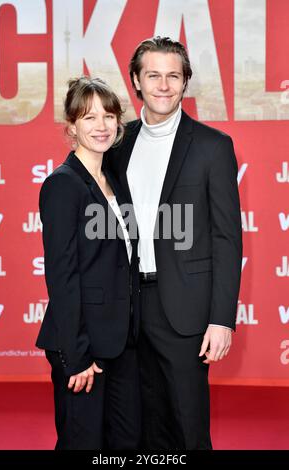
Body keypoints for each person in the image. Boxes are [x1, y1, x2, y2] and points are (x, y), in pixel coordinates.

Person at [106, 36, 242, 450]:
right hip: (126, 307)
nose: (163, 86)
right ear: (136, 81)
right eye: (153, 75)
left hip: (185, 309)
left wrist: (221, 319)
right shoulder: (115, 143)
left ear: (185, 83)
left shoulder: (212, 146)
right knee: (135, 425)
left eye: (173, 76)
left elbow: (227, 237)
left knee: (186, 423)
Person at [36, 76, 141, 450]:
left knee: (126, 442)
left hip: (123, 341)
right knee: (83, 442)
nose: (101, 125)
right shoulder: (63, 185)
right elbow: (62, 277)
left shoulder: (115, 180)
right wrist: (76, 356)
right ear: (71, 126)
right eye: (89, 117)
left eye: (109, 116)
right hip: (83, 345)